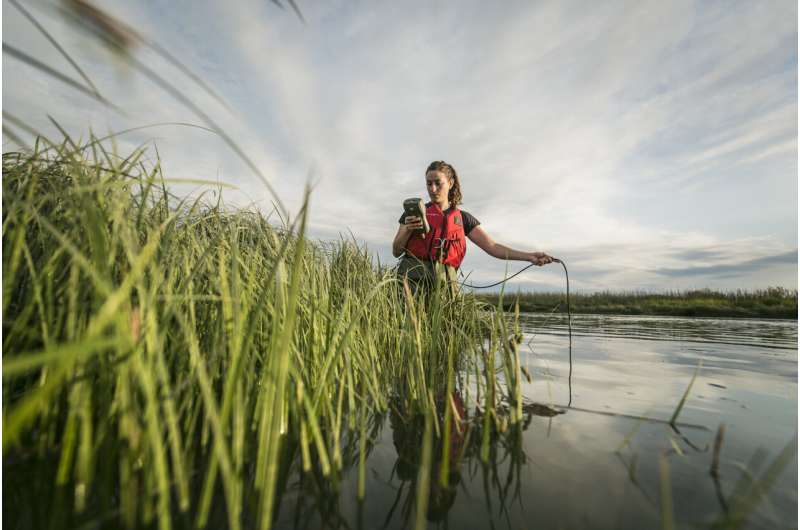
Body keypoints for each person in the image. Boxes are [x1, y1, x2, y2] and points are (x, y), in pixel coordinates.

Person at [392, 160, 554, 293]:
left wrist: (530, 257)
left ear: (450, 183)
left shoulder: (464, 219)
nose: (433, 189)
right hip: (410, 281)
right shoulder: (412, 214)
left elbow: (493, 247)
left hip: (446, 286)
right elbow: (396, 251)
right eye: (429, 184)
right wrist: (407, 229)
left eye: (438, 183)